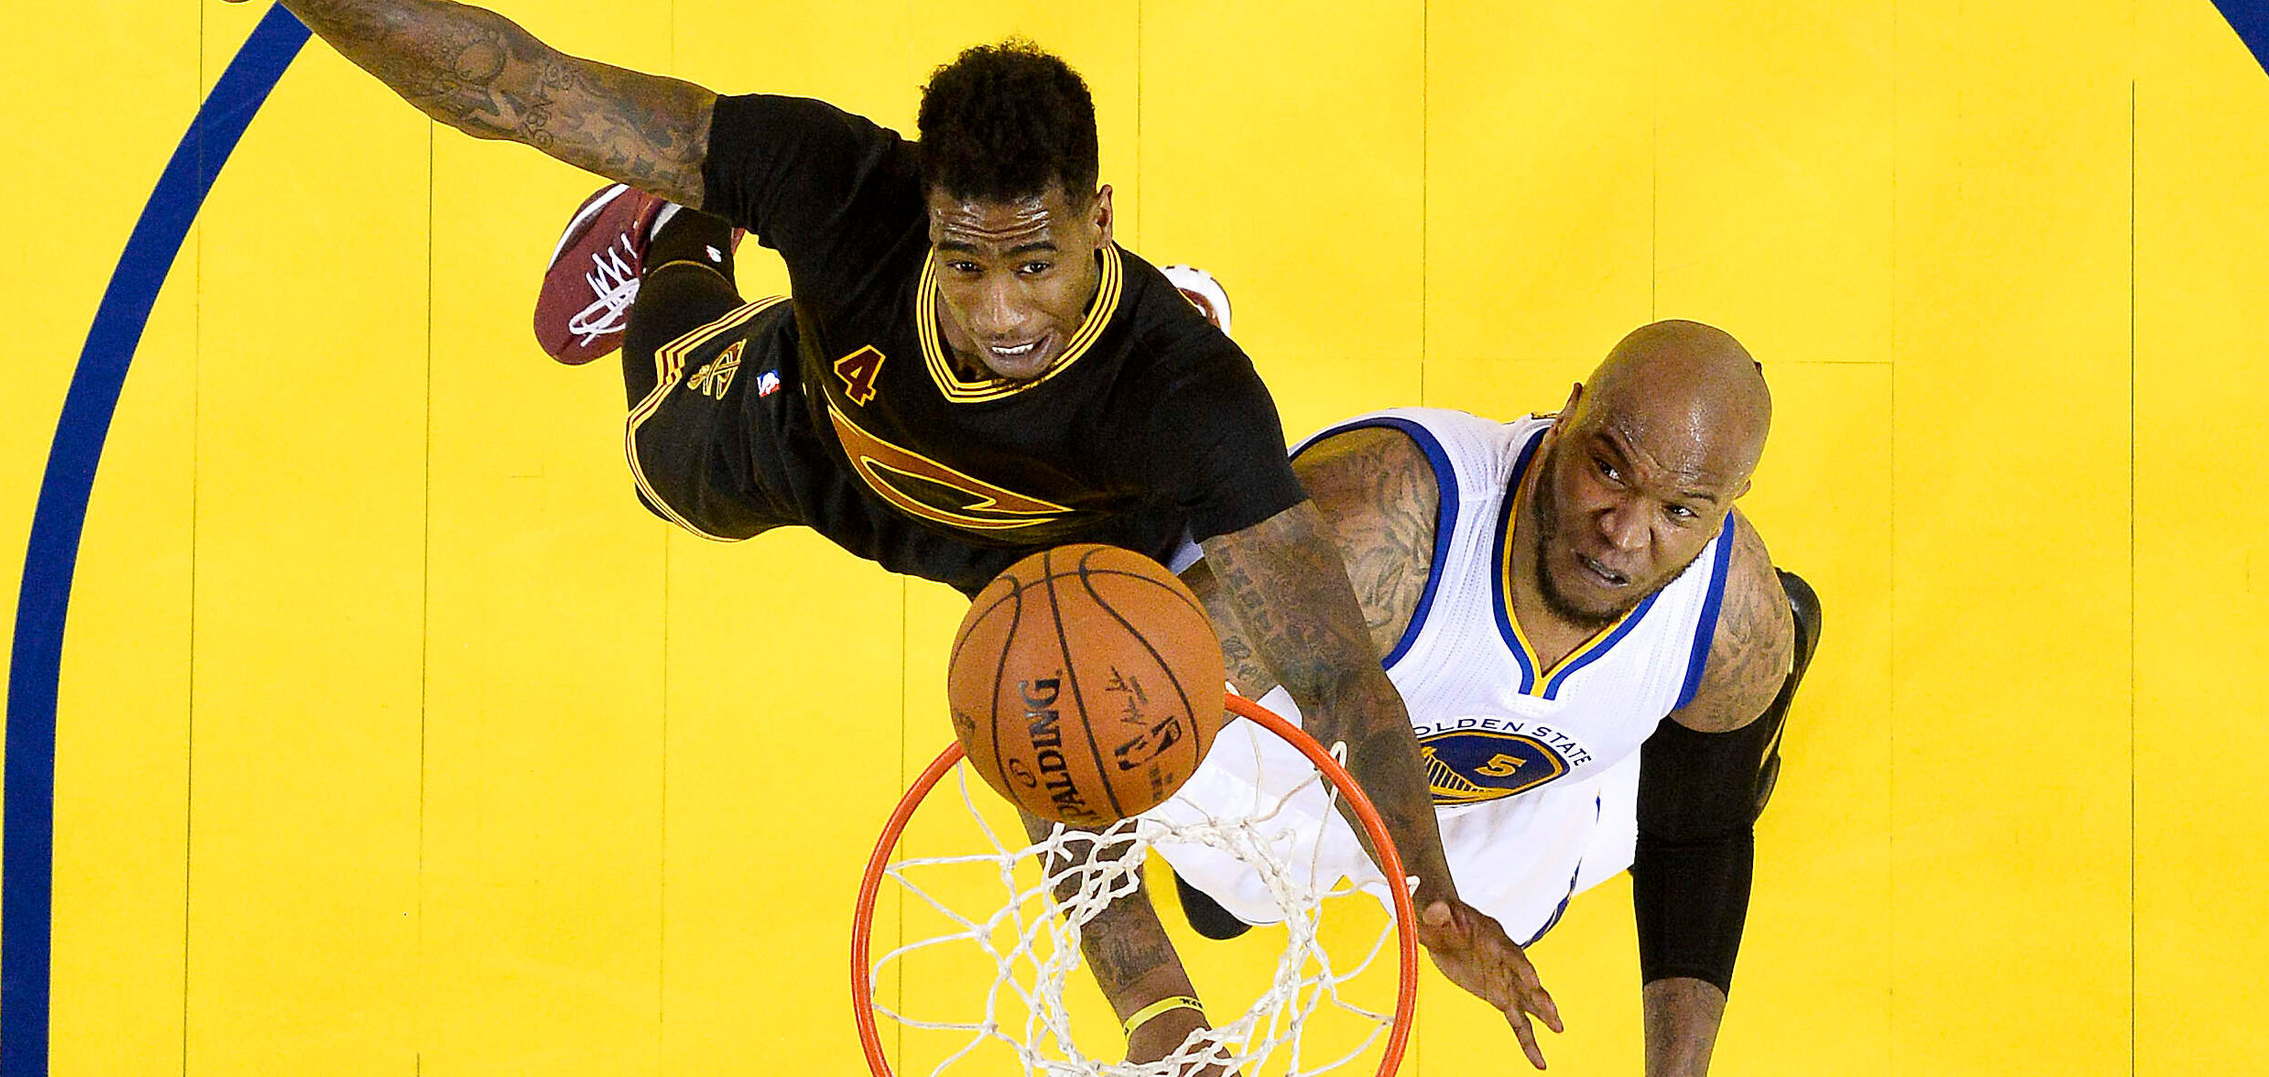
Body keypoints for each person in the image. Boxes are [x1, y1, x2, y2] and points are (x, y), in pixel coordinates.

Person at [272, 0, 1556, 1051]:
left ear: (1099, 221)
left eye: (1037, 263)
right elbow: (518, 85)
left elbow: (1338, 672)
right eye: (966, 263)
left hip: (1069, 556)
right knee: (661, 464)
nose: (1001, 311)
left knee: (1085, 723)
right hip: (828, 441)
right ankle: (676, 239)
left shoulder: (1189, 404)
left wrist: (1430, 891)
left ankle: (1156, 1013)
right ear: (925, 221)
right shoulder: (842, 186)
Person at [1071, 320, 1820, 1074]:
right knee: (1224, 896)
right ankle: (1151, 400)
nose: (1623, 533)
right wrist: (1157, 1006)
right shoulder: (1380, 531)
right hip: (1286, 753)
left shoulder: (1735, 622)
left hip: (1506, 802)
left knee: (1677, 801)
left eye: (1681, 511)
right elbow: (1068, 743)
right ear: (1568, 412)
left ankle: (1724, 732)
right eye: (1610, 471)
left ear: (1729, 506)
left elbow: (1695, 840)